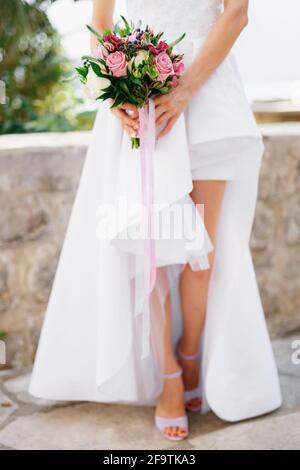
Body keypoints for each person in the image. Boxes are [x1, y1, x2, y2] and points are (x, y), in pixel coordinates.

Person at [29, 0, 282, 442]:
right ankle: (168, 375)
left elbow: (237, 12)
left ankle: (190, 357)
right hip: (141, 105)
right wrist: (113, 95)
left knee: (203, 256)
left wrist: (184, 90)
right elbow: (100, 24)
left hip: (209, 98)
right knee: (152, 252)